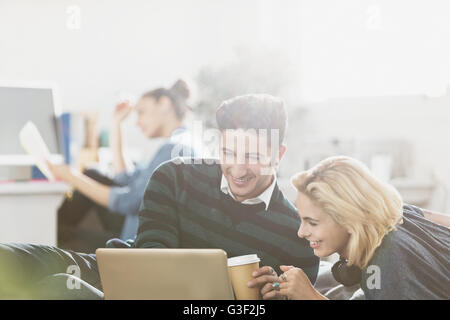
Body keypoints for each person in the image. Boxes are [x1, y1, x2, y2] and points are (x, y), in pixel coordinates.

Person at [0, 94, 319, 299]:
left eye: (252, 156)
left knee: (58, 289)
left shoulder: (299, 236)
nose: (236, 168)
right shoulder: (175, 175)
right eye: (228, 152)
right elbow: (148, 259)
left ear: (279, 154)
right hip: (118, 273)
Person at [261, 156, 450, 300]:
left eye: (312, 222)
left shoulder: (385, 264)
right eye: (302, 220)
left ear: (348, 218)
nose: (301, 232)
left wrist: (310, 296)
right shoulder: (399, 214)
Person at [51, 79, 195, 252]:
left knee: (61, 236)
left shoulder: (174, 149)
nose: (137, 121)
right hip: (134, 234)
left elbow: (130, 201)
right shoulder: (180, 144)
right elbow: (126, 178)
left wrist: (71, 176)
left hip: (135, 248)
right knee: (93, 174)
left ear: (164, 104)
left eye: (141, 112)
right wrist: (117, 123)